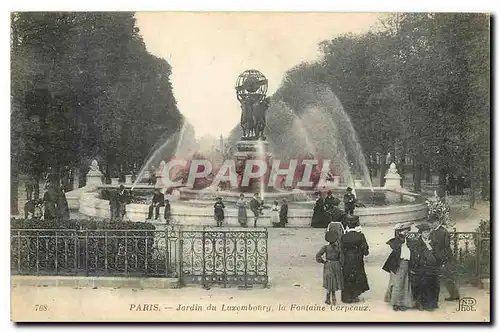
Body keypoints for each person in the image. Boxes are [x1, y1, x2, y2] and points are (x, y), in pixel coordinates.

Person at [383, 222, 415, 311]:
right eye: (404, 230)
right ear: (399, 231)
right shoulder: (396, 241)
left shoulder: (410, 241)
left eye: (407, 230)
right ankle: (395, 303)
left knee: (405, 283)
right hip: (397, 264)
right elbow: (395, 245)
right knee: (397, 283)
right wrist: (399, 235)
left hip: (406, 263)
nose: (406, 232)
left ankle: (402, 302)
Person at [410, 223, 440, 311]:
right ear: (421, 233)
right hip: (421, 267)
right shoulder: (417, 243)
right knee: (422, 285)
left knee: (433, 285)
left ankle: (431, 304)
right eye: (425, 232)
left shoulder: (434, 242)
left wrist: (429, 247)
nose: (427, 234)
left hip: (432, 266)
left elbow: (437, 255)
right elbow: (415, 256)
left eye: (428, 232)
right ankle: (421, 304)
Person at [340, 215, 370, 303]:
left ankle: (347, 297)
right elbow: (365, 249)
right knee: (357, 275)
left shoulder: (344, 236)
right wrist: (364, 253)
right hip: (357, 258)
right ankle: (355, 295)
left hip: (347, 259)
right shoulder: (360, 236)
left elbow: (341, 248)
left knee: (347, 275)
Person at [431, 218, 460, 301]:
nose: (431, 224)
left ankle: (455, 295)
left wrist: (442, 258)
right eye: (431, 222)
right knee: (443, 276)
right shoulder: (436, 231)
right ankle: (454, 295)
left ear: (438, 222)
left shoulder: (443, 232)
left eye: (433, 222)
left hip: (444, 257)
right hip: (439, 257)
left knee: (447, 277)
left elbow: (445, 246)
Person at [316, 231, 344, 305]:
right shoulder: (338, 248)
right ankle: (334, 297)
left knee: (329, 281)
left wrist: (322, 261)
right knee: (334, 281)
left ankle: (328, 298)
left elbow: (318, 255)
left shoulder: (325, 247)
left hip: (328, 264)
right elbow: (342, 258)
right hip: (336, 264)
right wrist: (340, 264)